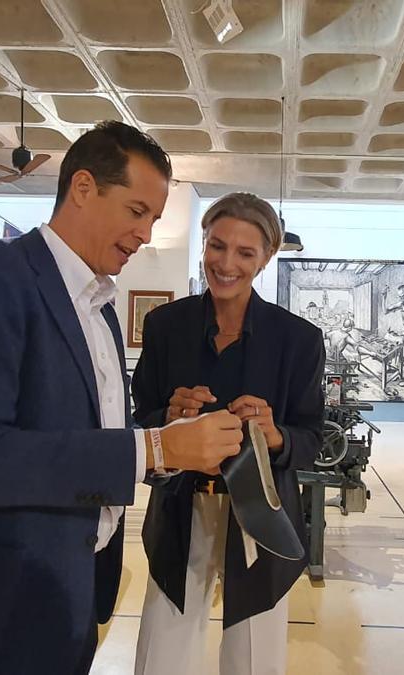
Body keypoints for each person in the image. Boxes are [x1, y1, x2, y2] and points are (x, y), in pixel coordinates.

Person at [0, 122, 246, 675]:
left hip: (59, 608)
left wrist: (169, 435)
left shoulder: (100, 309)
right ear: (83, 188)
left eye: (153, 218)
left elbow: (76, 438)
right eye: (136, 212)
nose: (147, 234)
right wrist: (153, 450)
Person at [132, 192, 324, 675]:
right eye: (217, 246)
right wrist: (169, 415)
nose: (227, 263)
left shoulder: (297, 339)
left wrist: (273, 433)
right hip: (180, 504)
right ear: (203, 243)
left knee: (254, 655)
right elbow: (143, 416)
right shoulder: (164, 326)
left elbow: (311, 439)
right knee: (163, 646)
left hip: (260, 512)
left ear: (266, 258)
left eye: (245, 253)